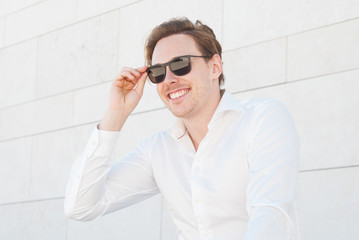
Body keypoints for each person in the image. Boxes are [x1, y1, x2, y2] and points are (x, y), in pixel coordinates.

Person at [64, 17, 301, 240]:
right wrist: (115, 114)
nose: (168, 79)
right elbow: (81, 206)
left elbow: (271, 218)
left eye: (180, 64)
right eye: (157, 72)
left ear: (215, 66)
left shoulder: (262, 119)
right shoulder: (158, 150)